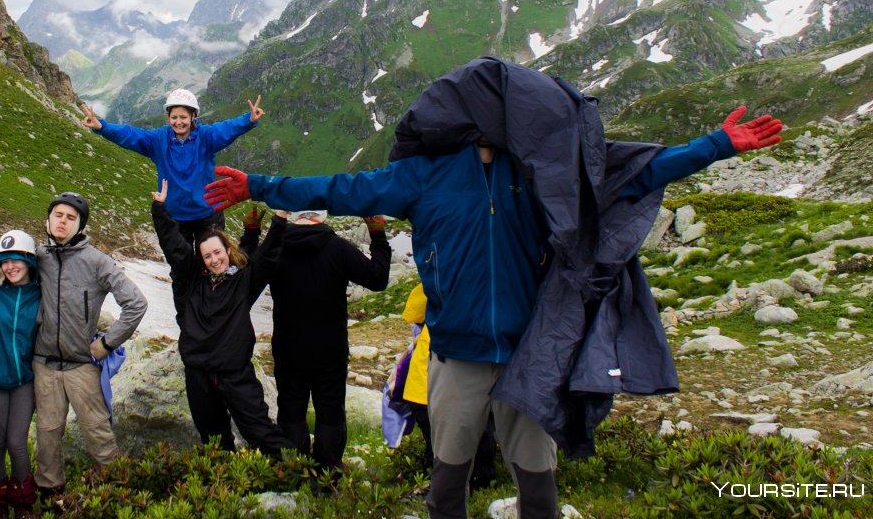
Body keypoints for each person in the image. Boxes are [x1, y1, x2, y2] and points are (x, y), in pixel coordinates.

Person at [205, 57, 783, 519]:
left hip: (529, 352)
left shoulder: (539, 170)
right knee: (448, 472)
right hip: (457, 351)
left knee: (536, 473)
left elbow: (629, 173)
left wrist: (717, 145)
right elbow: (343, 188)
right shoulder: (423, 175)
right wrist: (260, 184)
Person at [150, 179, 295, 455]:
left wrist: (279, 219)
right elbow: (174, 246)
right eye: (207, 256)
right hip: (199, 375)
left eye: (217, 252)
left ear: (228, 250)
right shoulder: (194, 280)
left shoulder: (243, 281)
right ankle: (225, 486)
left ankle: (294, 473)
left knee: (260, 430)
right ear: (201, 260)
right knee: (213, 439)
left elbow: (266, 257)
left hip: (234, 374)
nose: (214, 259)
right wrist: (160, 209)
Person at [32, 192, 148, 507]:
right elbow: (9, 271)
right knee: (46, 433)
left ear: (79, 225)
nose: (63, 221)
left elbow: (136, 304)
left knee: (98, 432)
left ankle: (117, 494)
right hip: (43, 364)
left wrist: (107, 343)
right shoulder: (36, 255)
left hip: (81, 363)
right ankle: (50, 496)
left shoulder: (97, 261)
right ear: (48, 219)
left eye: (71, 218)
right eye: (58, 215)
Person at [268, 210, 391, 473]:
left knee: (290, 410)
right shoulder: (338, 248)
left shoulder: (277, 248)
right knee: (330, 413)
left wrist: (254, 231)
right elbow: (378, 278)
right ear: (322, 217)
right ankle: (327, 475)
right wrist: (377, 233)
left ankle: (294, 472)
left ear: (294, 217)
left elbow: (248, 275)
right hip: (330, 350)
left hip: (288, 350)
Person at [80, 89, 264, 245]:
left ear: (193, 116)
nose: (178, 122)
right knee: (181, 269)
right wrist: (101, 126)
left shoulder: (207, 136)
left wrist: (248, 119)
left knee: (212, 264)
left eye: (183, 117)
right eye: (174, 117)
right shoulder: (157, 140)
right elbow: (130, 135)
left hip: (208, 214)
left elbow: (227, 128)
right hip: (176, 217)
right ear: (168, 118)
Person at [402, 283, 498, 488]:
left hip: (426, 383)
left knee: (439, 443)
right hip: (471, 370)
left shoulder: (441, 275)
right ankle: (479, 482)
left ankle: (445, 486)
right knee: (482, 428)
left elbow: (413, 311)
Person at [0, 230, 43, 519]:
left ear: (29, 261)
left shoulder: (40, 293)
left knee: (17, 443)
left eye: (16, 260)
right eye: (4, 261)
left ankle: (24, 504)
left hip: (24, 381)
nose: (10, 266)